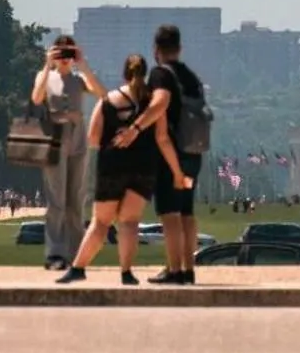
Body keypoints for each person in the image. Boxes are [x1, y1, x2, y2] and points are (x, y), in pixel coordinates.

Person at [57, 55, 186, 286]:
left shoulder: (108, 100)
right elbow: (163, 139)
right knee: (129, 222)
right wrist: (177, 171)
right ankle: (126, 272)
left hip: (112, 166)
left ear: (124, 74)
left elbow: (93, 138)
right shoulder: (153, 105)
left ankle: (78, 268)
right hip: (144, 168)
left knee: (100, 223)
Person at [114, 23, 208, 287]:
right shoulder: (192, 77)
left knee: (169, 214)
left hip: (171, 154)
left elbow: (160, 103)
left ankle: (174, 270)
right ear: (179, 48)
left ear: (156, 50)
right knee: (187, 212)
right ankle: (189, 269)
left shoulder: (161, 74)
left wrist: (135, 128)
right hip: (194, 152)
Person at [31, 37, 106, 271]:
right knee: (57, 199)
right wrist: (47, 64)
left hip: (77, 136)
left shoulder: (78, 79)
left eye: (68, 54)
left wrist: (82, 64)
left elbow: (102, 93)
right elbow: (36, 98)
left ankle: (76, 254)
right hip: (55, 136)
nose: (64, 59)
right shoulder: (46, 76)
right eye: (60, 53)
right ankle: (55, 253)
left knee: (76, 198)